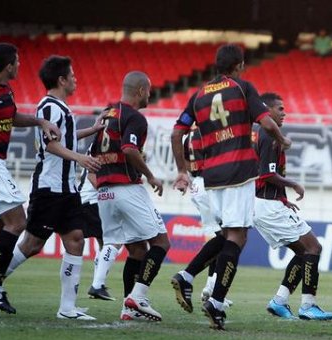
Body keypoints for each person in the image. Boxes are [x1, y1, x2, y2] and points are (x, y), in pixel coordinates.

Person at [170, 44, 291, 330]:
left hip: (211, 176)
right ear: (239, 65)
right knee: (237, 238)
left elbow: (177, 132)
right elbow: (266, 122)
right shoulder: (242, 87)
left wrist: (181, 171)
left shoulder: (198, 95)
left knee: (226, 234)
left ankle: (188, 276)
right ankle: (217, 301)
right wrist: (282, 140)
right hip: (239, 171)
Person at [0, 43, 61, 314]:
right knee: (17, 222)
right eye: (16, 62)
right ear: (8, 66)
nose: (19, 66)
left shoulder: (5, 91)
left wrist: (41, 122)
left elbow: (12, 117)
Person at [91, 70, 170, 322]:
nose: (150, 94)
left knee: (136, 250)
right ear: (140, 91)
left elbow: (94, 155)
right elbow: (128, 148)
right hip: (127, 188)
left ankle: (129, 309)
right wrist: (150, 175)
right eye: (148, 90)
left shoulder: (107, 114)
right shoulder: (134, 117)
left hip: (104, 193)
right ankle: (139, 295)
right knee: (161, 243)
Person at [253, 92, 332, 321]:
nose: (284, 112)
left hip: (264, 202)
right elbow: (267, 174)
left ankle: (279, 301)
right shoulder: (270, 135)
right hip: (268, 206)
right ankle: (308, 305)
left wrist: (281, 196)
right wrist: (293, 184)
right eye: (279, 108)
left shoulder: (256, 134)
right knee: (313, 248)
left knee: (303, 252)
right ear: (267, 110)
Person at [170, 124, 233, 312]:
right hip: (211, 185)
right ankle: (190, 277)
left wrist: (185, 176)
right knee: (229, 236)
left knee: (220, 237)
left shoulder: (188, 135)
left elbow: (188, 162)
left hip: (197, 185)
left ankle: (210, 287)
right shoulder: (210, 131)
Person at [78, 164, 123, 302]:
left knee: (104, 244)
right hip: (94, 200)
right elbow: (92, 175)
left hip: (87, 199)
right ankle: (97, 285)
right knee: (116, 241)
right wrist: (111, 196)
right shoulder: (102, 145)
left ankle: (98, 285)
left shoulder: (99, 145)